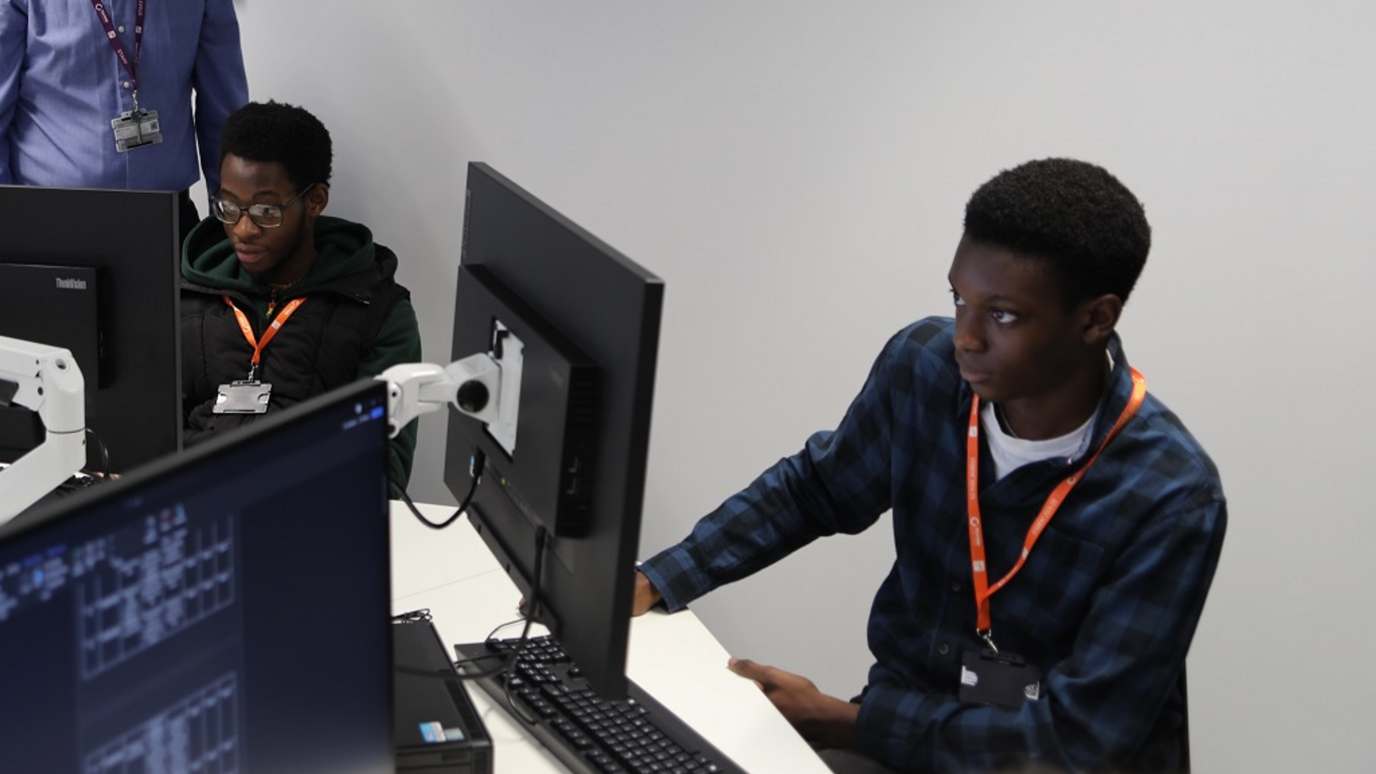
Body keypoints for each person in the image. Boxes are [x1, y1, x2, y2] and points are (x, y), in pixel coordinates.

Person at [633, 158, 1227, 773]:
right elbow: (816, 489)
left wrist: (842, 721)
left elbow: (1076, 744)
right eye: (959, 299)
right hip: (898, 736)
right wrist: (661, 579)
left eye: (1001, 315)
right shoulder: (925, 368)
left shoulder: (1170, 496)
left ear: (1095, 319)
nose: (965, 336)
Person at [180, 100, 421, 495]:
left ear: (315, 201)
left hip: (309, 517)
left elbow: (383, 474)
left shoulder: (378, 312)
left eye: (265, 211)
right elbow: (145, 442)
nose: (243, 229)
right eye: (228, 207)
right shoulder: (186, 298)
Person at [0, 0, 248, 242]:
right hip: (51, 225)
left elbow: (225, 117)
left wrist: (230, 227)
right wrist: (11, 229)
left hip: (169, 226)